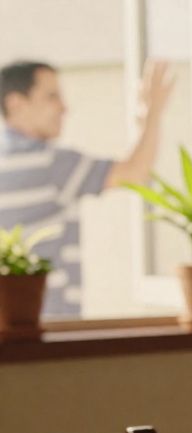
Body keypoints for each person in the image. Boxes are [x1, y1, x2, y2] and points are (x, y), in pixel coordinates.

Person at [0, 59, 173, 315]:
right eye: (52, 97)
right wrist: (152, 113)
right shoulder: (49, 164)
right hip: (49, 325)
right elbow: (135, 172)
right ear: (16, 104)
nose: (64, 108)